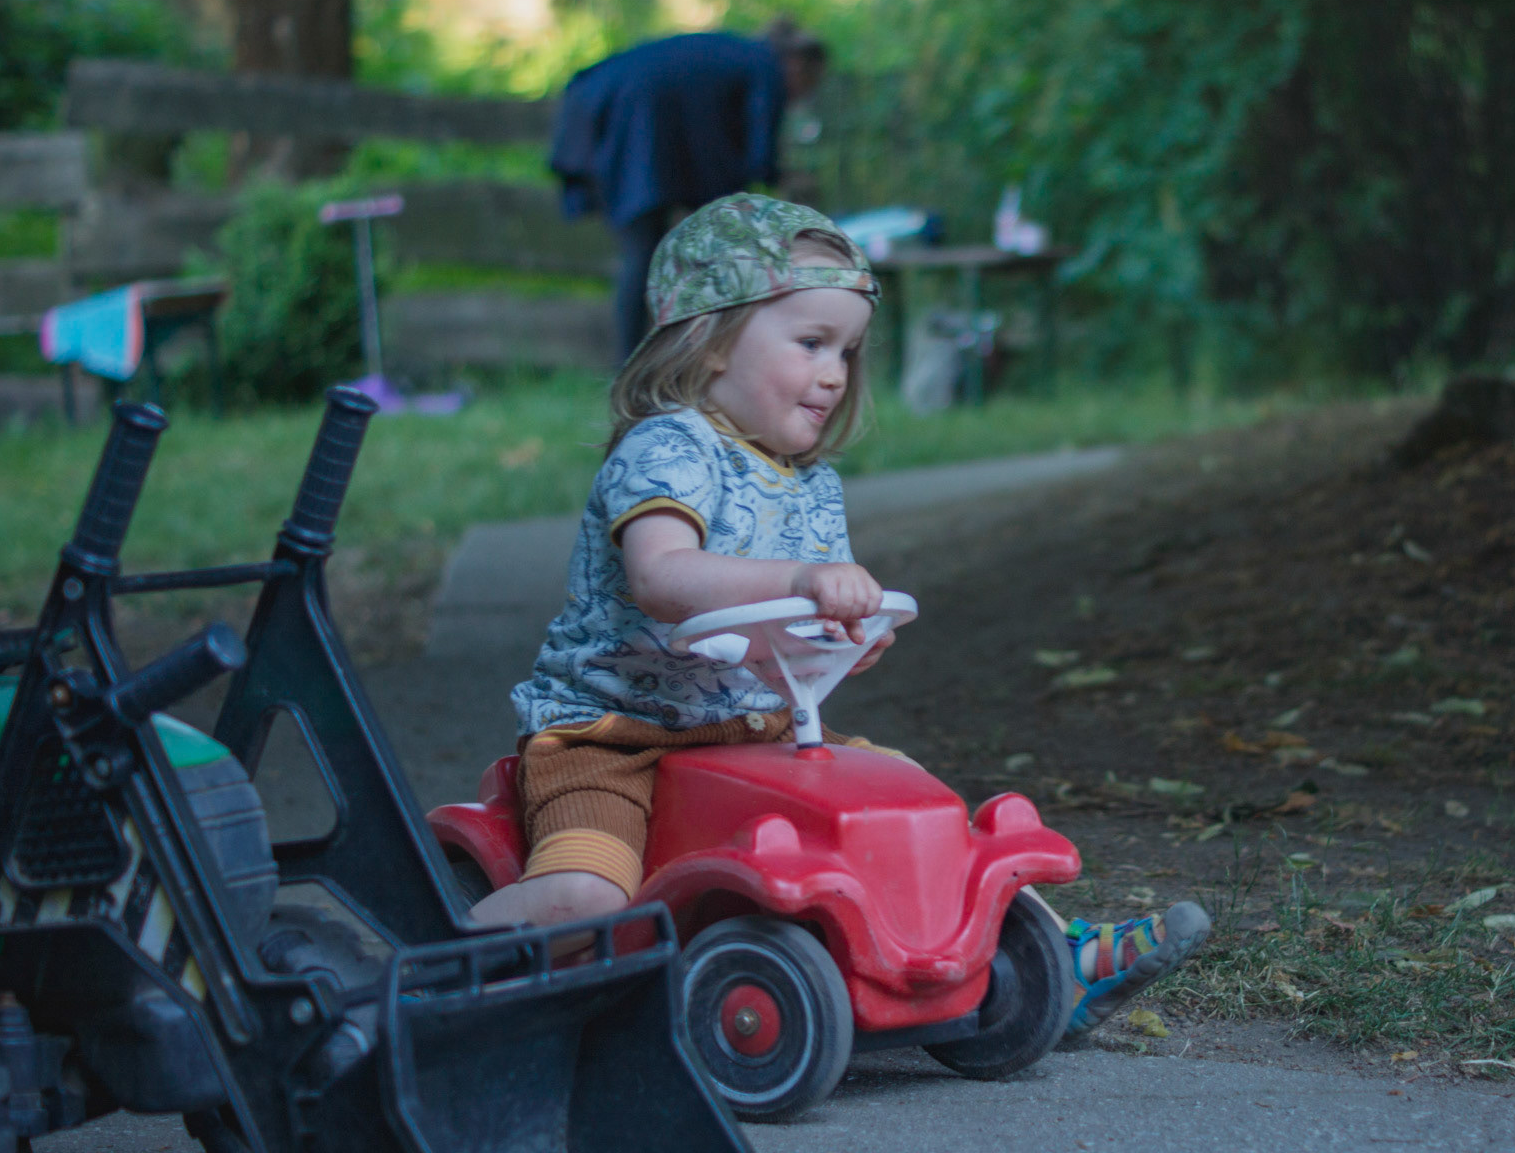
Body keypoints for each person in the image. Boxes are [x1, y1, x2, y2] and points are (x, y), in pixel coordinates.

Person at [469, 192, 1207, 1039]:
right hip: (614, 738)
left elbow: (797, 621)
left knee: (911, 806)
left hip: (755, 729)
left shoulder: (811, 484)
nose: (835, 373)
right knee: (586, 899)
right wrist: (805, 578)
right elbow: (663, 578)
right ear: (711, 341)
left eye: (848, 352)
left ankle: (1047, 955)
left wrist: (842, 639)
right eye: (812, 343)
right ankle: (417, 969)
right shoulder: (670, 446)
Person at [549, 20, 829, 362]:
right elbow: (760, 159)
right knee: (651, 254)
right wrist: (785, 186)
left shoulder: (733, 54)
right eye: (807, 86)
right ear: (796, 65)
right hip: (635, 123)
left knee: (646, 253)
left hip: (603, 106)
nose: (800, 99)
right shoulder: (766, 68)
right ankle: (643, 366)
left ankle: (641, 365)